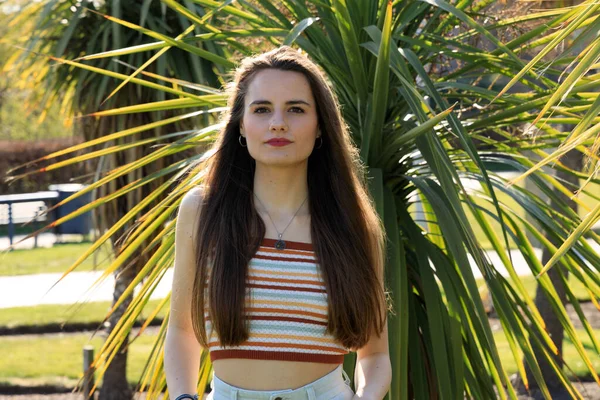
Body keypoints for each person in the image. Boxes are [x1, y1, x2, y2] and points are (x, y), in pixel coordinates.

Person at [164, 45, 392, 400]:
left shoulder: (355, 226)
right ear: (241, 123)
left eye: (296, 109)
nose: (278, 123)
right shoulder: (201, 211)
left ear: (320, 127)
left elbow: (375, 354)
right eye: (262, 109)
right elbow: (181, 332)